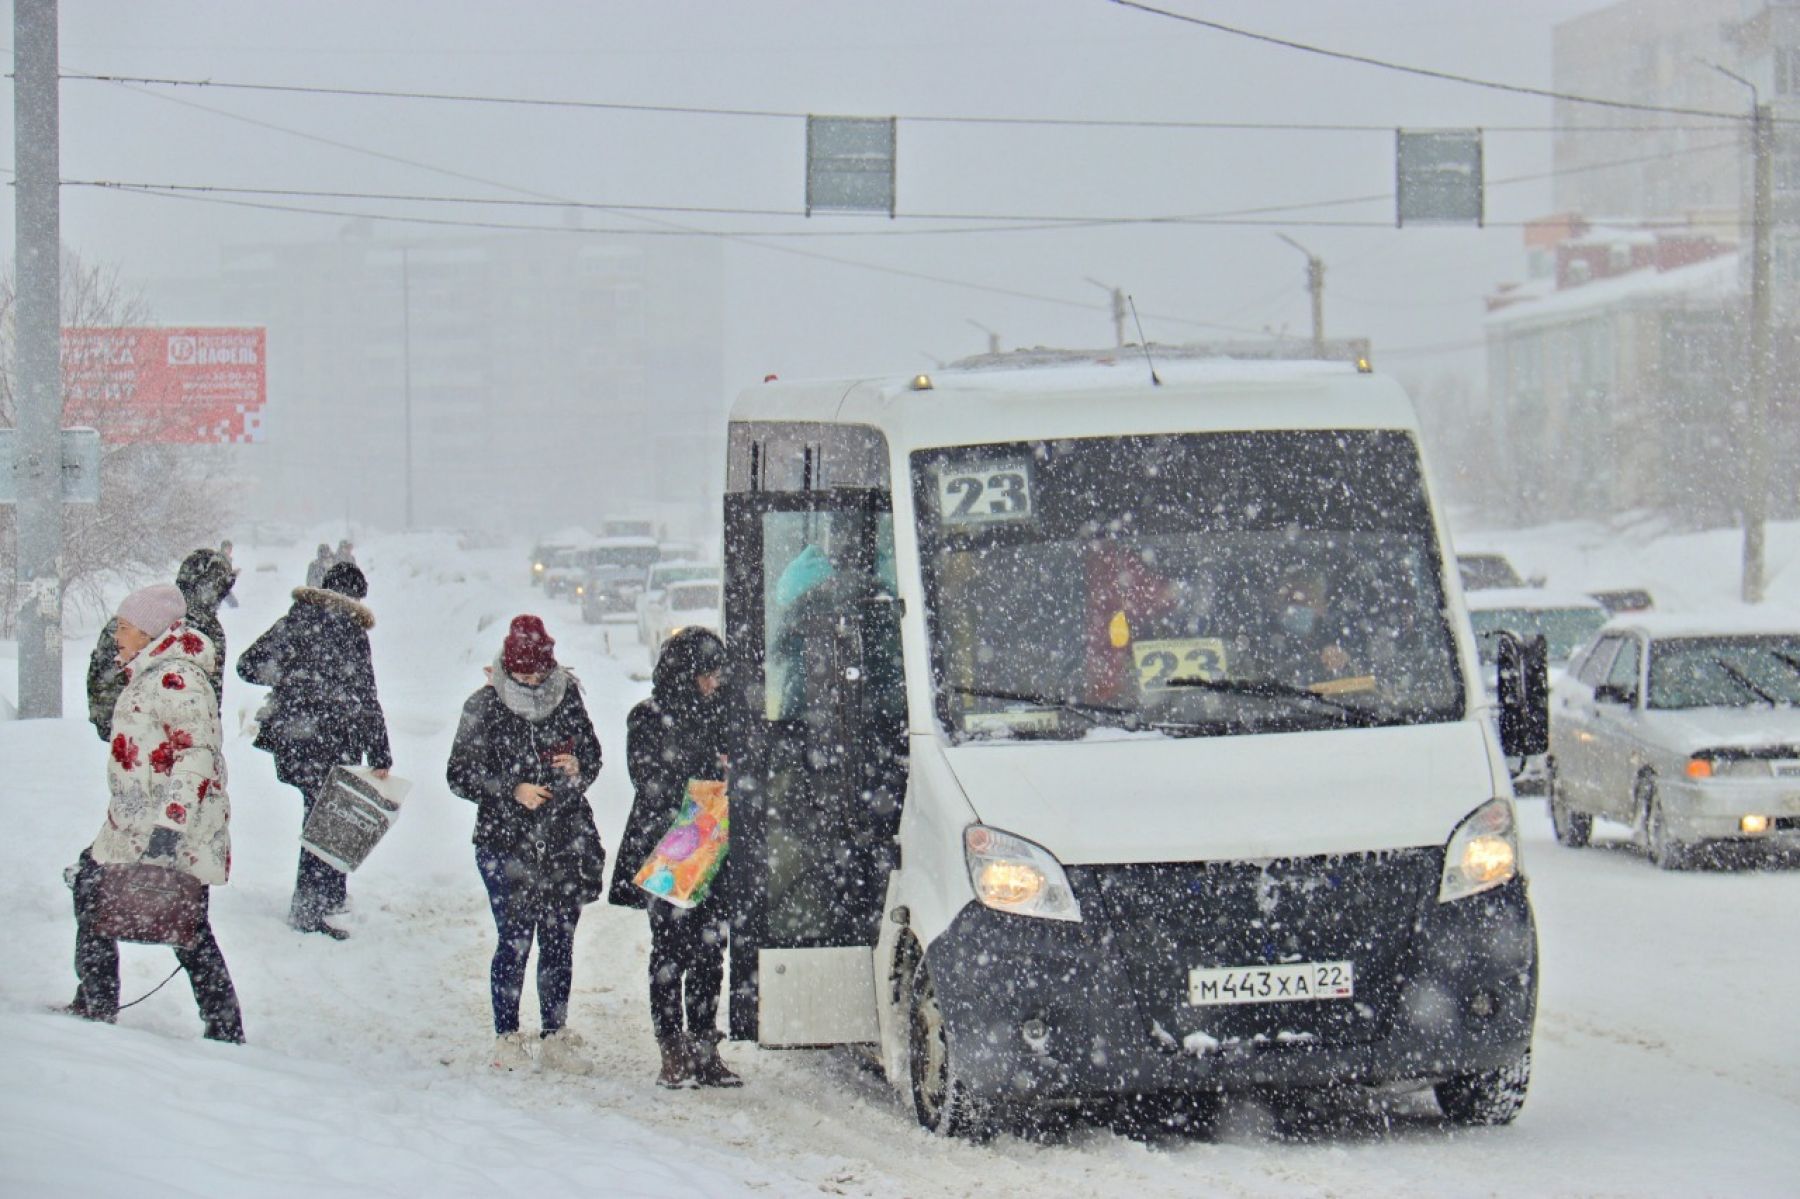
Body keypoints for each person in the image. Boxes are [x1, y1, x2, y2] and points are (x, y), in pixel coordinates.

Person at [68, 584, 244, 1043]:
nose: (117, 637)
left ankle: (219, 1027)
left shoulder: (177, 679)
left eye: (124, 628)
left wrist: (169, 826)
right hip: (133, 820)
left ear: (149, 632)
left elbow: (198, 755)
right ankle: (98, 1000)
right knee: (96, 885)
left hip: (167, 825)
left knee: (186, 926)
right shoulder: (151, 671)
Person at [447, 616, 606, 1073]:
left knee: (559, 940)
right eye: (525, 675)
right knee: (514, 939)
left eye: (539, 673)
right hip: (505, 842)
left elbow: (594, 756)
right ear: (507, 668)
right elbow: (459, 774)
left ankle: (555, 1031)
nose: (534, 682)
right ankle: (507, 1034)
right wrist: (510, 788)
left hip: (564, 838)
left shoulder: (567, 697)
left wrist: (579, 766)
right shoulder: (483, 706)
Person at [612, 627, 741, 1089]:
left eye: (717, 675)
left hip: (712, 846)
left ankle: (705, 1048)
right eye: (706, 675)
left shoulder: (725, 712)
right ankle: (672, 1049)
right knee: (669, 951)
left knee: (710, 951)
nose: (714, 684)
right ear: (685, 674)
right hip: (668, 847)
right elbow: (648, 780)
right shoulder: (646, 717)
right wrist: (707, 770)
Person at [237, 561, 393, 939]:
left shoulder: (296, 619)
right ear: (355, 597)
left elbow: (248, 666)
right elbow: (366, 696)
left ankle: (329, 895)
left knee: (324, 814)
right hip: (333, 738)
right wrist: (380, 753)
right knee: (324, 818)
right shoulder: (352, 631)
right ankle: (309, 910)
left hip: (295, 738)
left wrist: (292, 678)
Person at [86, 547, 237, 740]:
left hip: (128, 732)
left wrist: (109, 716)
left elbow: (99, 671)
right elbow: (211, 698)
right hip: (170, 742)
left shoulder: (140, 613)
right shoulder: (206, 630)